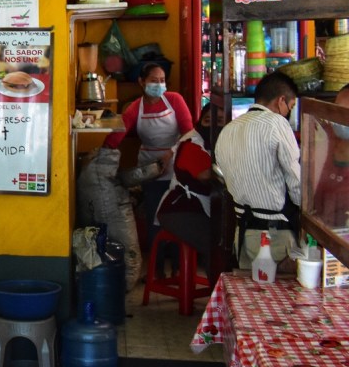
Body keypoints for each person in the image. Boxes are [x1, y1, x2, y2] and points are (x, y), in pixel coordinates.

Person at [215, 71, 301, 270]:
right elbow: (295, 180)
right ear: (281, 100)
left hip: (243, 234)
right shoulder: (277, 123)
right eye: (290, 106)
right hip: (276, 236)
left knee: (252, 288)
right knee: (280, 290)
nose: (288, 112)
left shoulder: (228, 129)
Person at [103, 63, 194, 243]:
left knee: (175, 216)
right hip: (149, 168)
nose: (159, 85)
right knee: (154, 214)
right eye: (154, 80)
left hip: (176, 163)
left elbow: (189, 134)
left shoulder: (175, 100)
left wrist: (170, 153)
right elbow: (117, 135)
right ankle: (156, 256)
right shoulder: (135, 108)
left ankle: (176, 256)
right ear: (142, 82)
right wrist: (102, 153)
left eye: (162, 80)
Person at [155, 105, 220, 262]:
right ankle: (218, 278)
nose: (212, 125)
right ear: (200, 121)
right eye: (207, 120)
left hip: (197, 208)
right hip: (179, 211)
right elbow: (205, 175)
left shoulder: (212, 143)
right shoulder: (191, 143)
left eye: (219, 121)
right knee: (216, 246)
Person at [314, 85, 349, 229]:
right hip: (317, 229)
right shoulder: (323, 136)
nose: (339, 119)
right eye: (337, 110)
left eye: (345, 114)